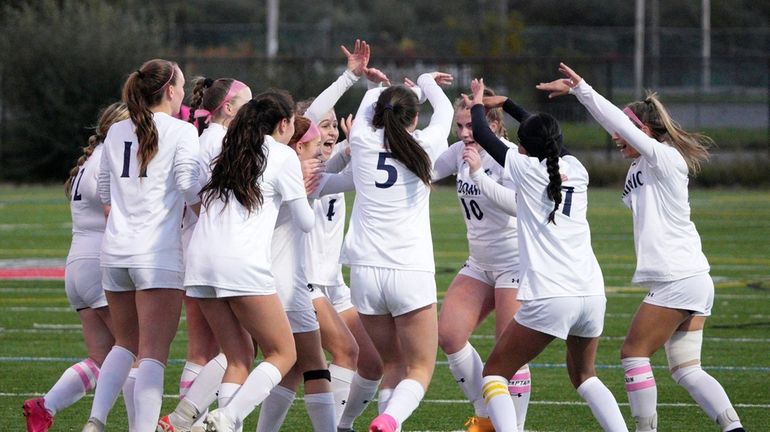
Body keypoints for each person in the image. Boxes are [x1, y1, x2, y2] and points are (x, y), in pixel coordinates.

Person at [537, 62, 745, 432]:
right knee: (686, 370)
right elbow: (616, 127)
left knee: (632, 354)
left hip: (677, 277)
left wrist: (582, 89)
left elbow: (618, 125)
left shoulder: (663, 158)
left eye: (627, 131)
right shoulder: (641, 164)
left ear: (645, 131)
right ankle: (734, 428)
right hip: (689, 276)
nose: (617, 138)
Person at [465, 78, 627, 432]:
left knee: (494, 373)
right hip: (591, 293)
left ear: (523, 147)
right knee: (585, 375)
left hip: (552, 295)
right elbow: (544, 134)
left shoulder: (524, 169)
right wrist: (507, 103)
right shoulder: (577, 169)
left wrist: (478, 103)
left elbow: (482, 133)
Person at [82, 59, 201, 432]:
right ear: (170, 91)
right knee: (152, 354)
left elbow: (103, 190)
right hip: (157, 255)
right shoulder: (182, 131)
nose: (182, 91)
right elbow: (188, 185)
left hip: (114, 252)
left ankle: (95, 420)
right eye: (180, 84)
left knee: (125, 344)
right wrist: (211, 211)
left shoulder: (116, 132)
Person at [183, 90, 308, 432]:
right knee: (284, 353)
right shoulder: (283, 156)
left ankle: (221, 423)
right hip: (240, 264)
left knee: (237, 356)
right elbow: (306, 221)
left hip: (200, 262)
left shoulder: (228, 147)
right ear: (283, 124)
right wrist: (304, 189)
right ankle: (227, 417)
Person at [339, 71, 453, 432]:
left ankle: (380, 422)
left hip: (365, 272)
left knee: (393, 365)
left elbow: (372, 106)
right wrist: (424, 82)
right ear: (414, 117)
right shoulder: (426, 144)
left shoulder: (360, 140)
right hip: (409, 270)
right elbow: (446, 111)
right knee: (419, 369)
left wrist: (381, 87)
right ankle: (389, 419)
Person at [22, 103, 128, 432]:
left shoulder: (90, 161)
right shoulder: (109, 160)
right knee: (134, 351)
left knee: (101, 359)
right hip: (99, 264)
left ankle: (46, 406)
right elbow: (114, 213)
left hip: (77, 267)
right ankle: (125, 424)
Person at [432, 88, 531, 432]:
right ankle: (484, 412)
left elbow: (516, 205)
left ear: (489, 123)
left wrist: (478, 175)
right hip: (479, 262)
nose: (462, 134)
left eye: (468, 126)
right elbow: (422, 170)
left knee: (510, 352)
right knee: (449, 335)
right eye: (458, 126)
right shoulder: (460, 151)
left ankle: (513, 426)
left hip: (514, 264)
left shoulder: (508, 156)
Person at [157, 76, 253, 432]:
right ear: (228, 107)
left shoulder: (208, 138)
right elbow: (195, 194)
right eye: (247, 103)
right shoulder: (220, 142)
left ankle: (186, 420)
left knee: (214, 347)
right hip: (214, 250)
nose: (252, 112)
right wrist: (209, 216)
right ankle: (191, 421)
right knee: (228, 348)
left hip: (199, 248)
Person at [253, 116, 336, 432]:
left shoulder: (268, 170)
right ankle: (218, 414)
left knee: (289, 363)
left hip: (263, 282)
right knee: (315, 365)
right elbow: (305, 221)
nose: (320, 155)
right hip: (288, 285)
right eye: (315, 147)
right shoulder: (293, 177)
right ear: (298, 146)